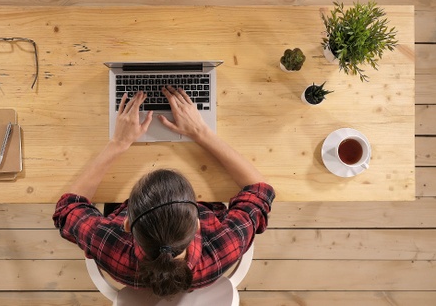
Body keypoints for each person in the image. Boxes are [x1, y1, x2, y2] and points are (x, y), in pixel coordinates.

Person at [53, 86, 275, 297]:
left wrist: (118, 143)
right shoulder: (222, 247)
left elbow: (67, 209)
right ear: (197, 223)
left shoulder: (111, 247)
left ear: (127, 224)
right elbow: (260, 190)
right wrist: (202, 132)